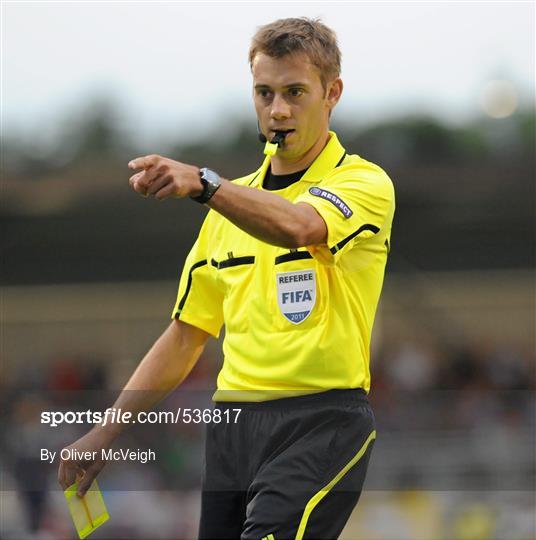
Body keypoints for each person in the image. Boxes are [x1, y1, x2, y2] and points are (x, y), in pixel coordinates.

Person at [58, 17, 395, 539]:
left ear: (333, 94)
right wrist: (107, 433)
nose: (277, 109)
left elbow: (301, 226)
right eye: (264, 92)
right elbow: (187, 332)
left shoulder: (363, 182)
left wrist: (203, 183)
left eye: (294, 92)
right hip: (232, 429)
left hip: (321, 422)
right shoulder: (228, 209)